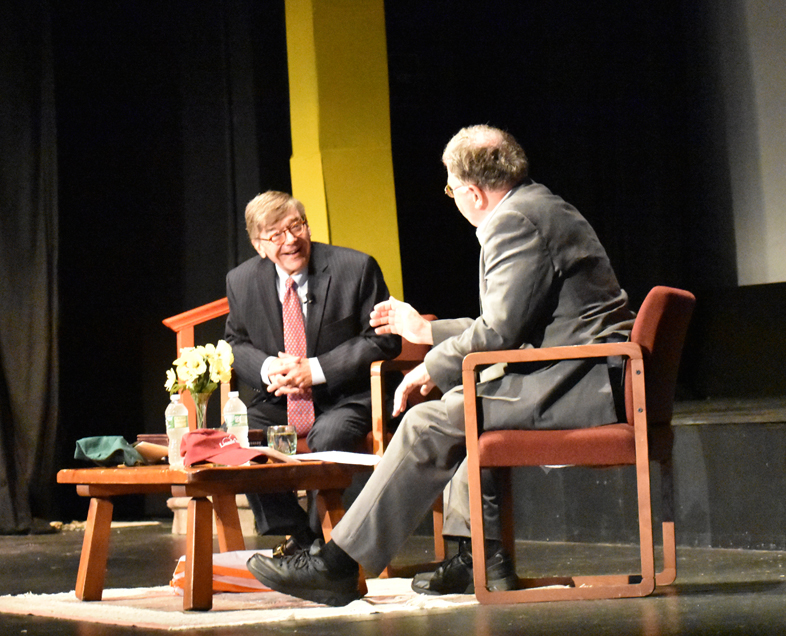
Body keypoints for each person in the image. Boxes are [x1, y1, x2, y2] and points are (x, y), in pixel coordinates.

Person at [245, 126, 636, 606]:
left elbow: (498, 334)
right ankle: (478, 557)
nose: (453, 199)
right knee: (463, 402)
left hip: (581, 379)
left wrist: (431, 365)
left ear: (472, 192)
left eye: (451, 190)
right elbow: (512, 321)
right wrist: (426, 332)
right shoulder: (539, 205)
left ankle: (338, 565)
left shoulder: (514, 221)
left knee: (430, 419)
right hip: (585, 371)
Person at [224, 191, 402, 555]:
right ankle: (296, 536)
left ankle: (319, 539)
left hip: (348, 396)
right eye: (275, 234)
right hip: (281, 397)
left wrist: (316, 370)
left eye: (296, 226)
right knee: (237, 437)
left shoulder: (355, 268)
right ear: (259, 245)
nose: (291, 240)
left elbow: (384, 341)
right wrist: (268, 367)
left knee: (329, 434)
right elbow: (235, 342)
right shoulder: (242, 281)